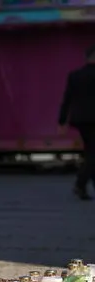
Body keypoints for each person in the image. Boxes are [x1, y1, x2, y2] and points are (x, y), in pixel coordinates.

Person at [58, 44, 95, 201]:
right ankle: (80, 183)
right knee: (93, 154)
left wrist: (61, 121)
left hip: (80, 119)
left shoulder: (74, 75)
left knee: (90, 152)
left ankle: (85, 188)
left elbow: (67, 99)